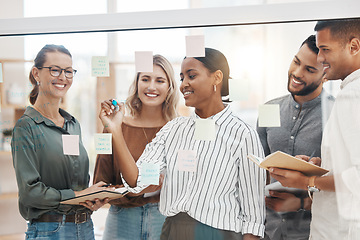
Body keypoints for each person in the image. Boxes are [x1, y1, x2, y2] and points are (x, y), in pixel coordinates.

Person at [99, 47, 266, 240]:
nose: (183, 85)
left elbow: (253, 216)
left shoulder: (243, 135)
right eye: (181, 78)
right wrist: (116, 129)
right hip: (172, 231)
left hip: (219, 234)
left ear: (217, 78)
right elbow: (136, 181)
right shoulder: (174, 129)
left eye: (191, 76)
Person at [270, 19, 360, 239]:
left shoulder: (351, 96)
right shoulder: (270, 108)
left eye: (325, 50)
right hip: (276, 224)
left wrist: (306, 182)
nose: (321, 58)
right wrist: (321, 166)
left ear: (354, 47)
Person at [11, 44, 109, 240]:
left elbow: (77, 184)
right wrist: (78, 195)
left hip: (85, 228)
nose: (63, 77)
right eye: (55, 70)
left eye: (69, 71)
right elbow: (30, 192)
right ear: (36, 74)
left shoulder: (73, 125)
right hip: (50, 231)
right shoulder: (26, 127)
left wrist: (90, 199)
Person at [93, 54, 179, 240]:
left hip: (163, 217)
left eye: (160, 80)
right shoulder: (115, 126)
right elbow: (102, 179)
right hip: (122, 218)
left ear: (169, 87)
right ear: (137, 83)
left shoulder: (178, 129)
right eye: (145, 79)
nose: (151, 86)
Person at [257, 35, 334, 240]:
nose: (297, 73)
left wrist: (301, 204)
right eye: (296, 62)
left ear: (325, 75)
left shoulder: (335, 113)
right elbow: (259, 170)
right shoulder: (269, 109)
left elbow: (345, 185)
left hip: (313, 231)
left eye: (309, 70)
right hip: (269, 229)